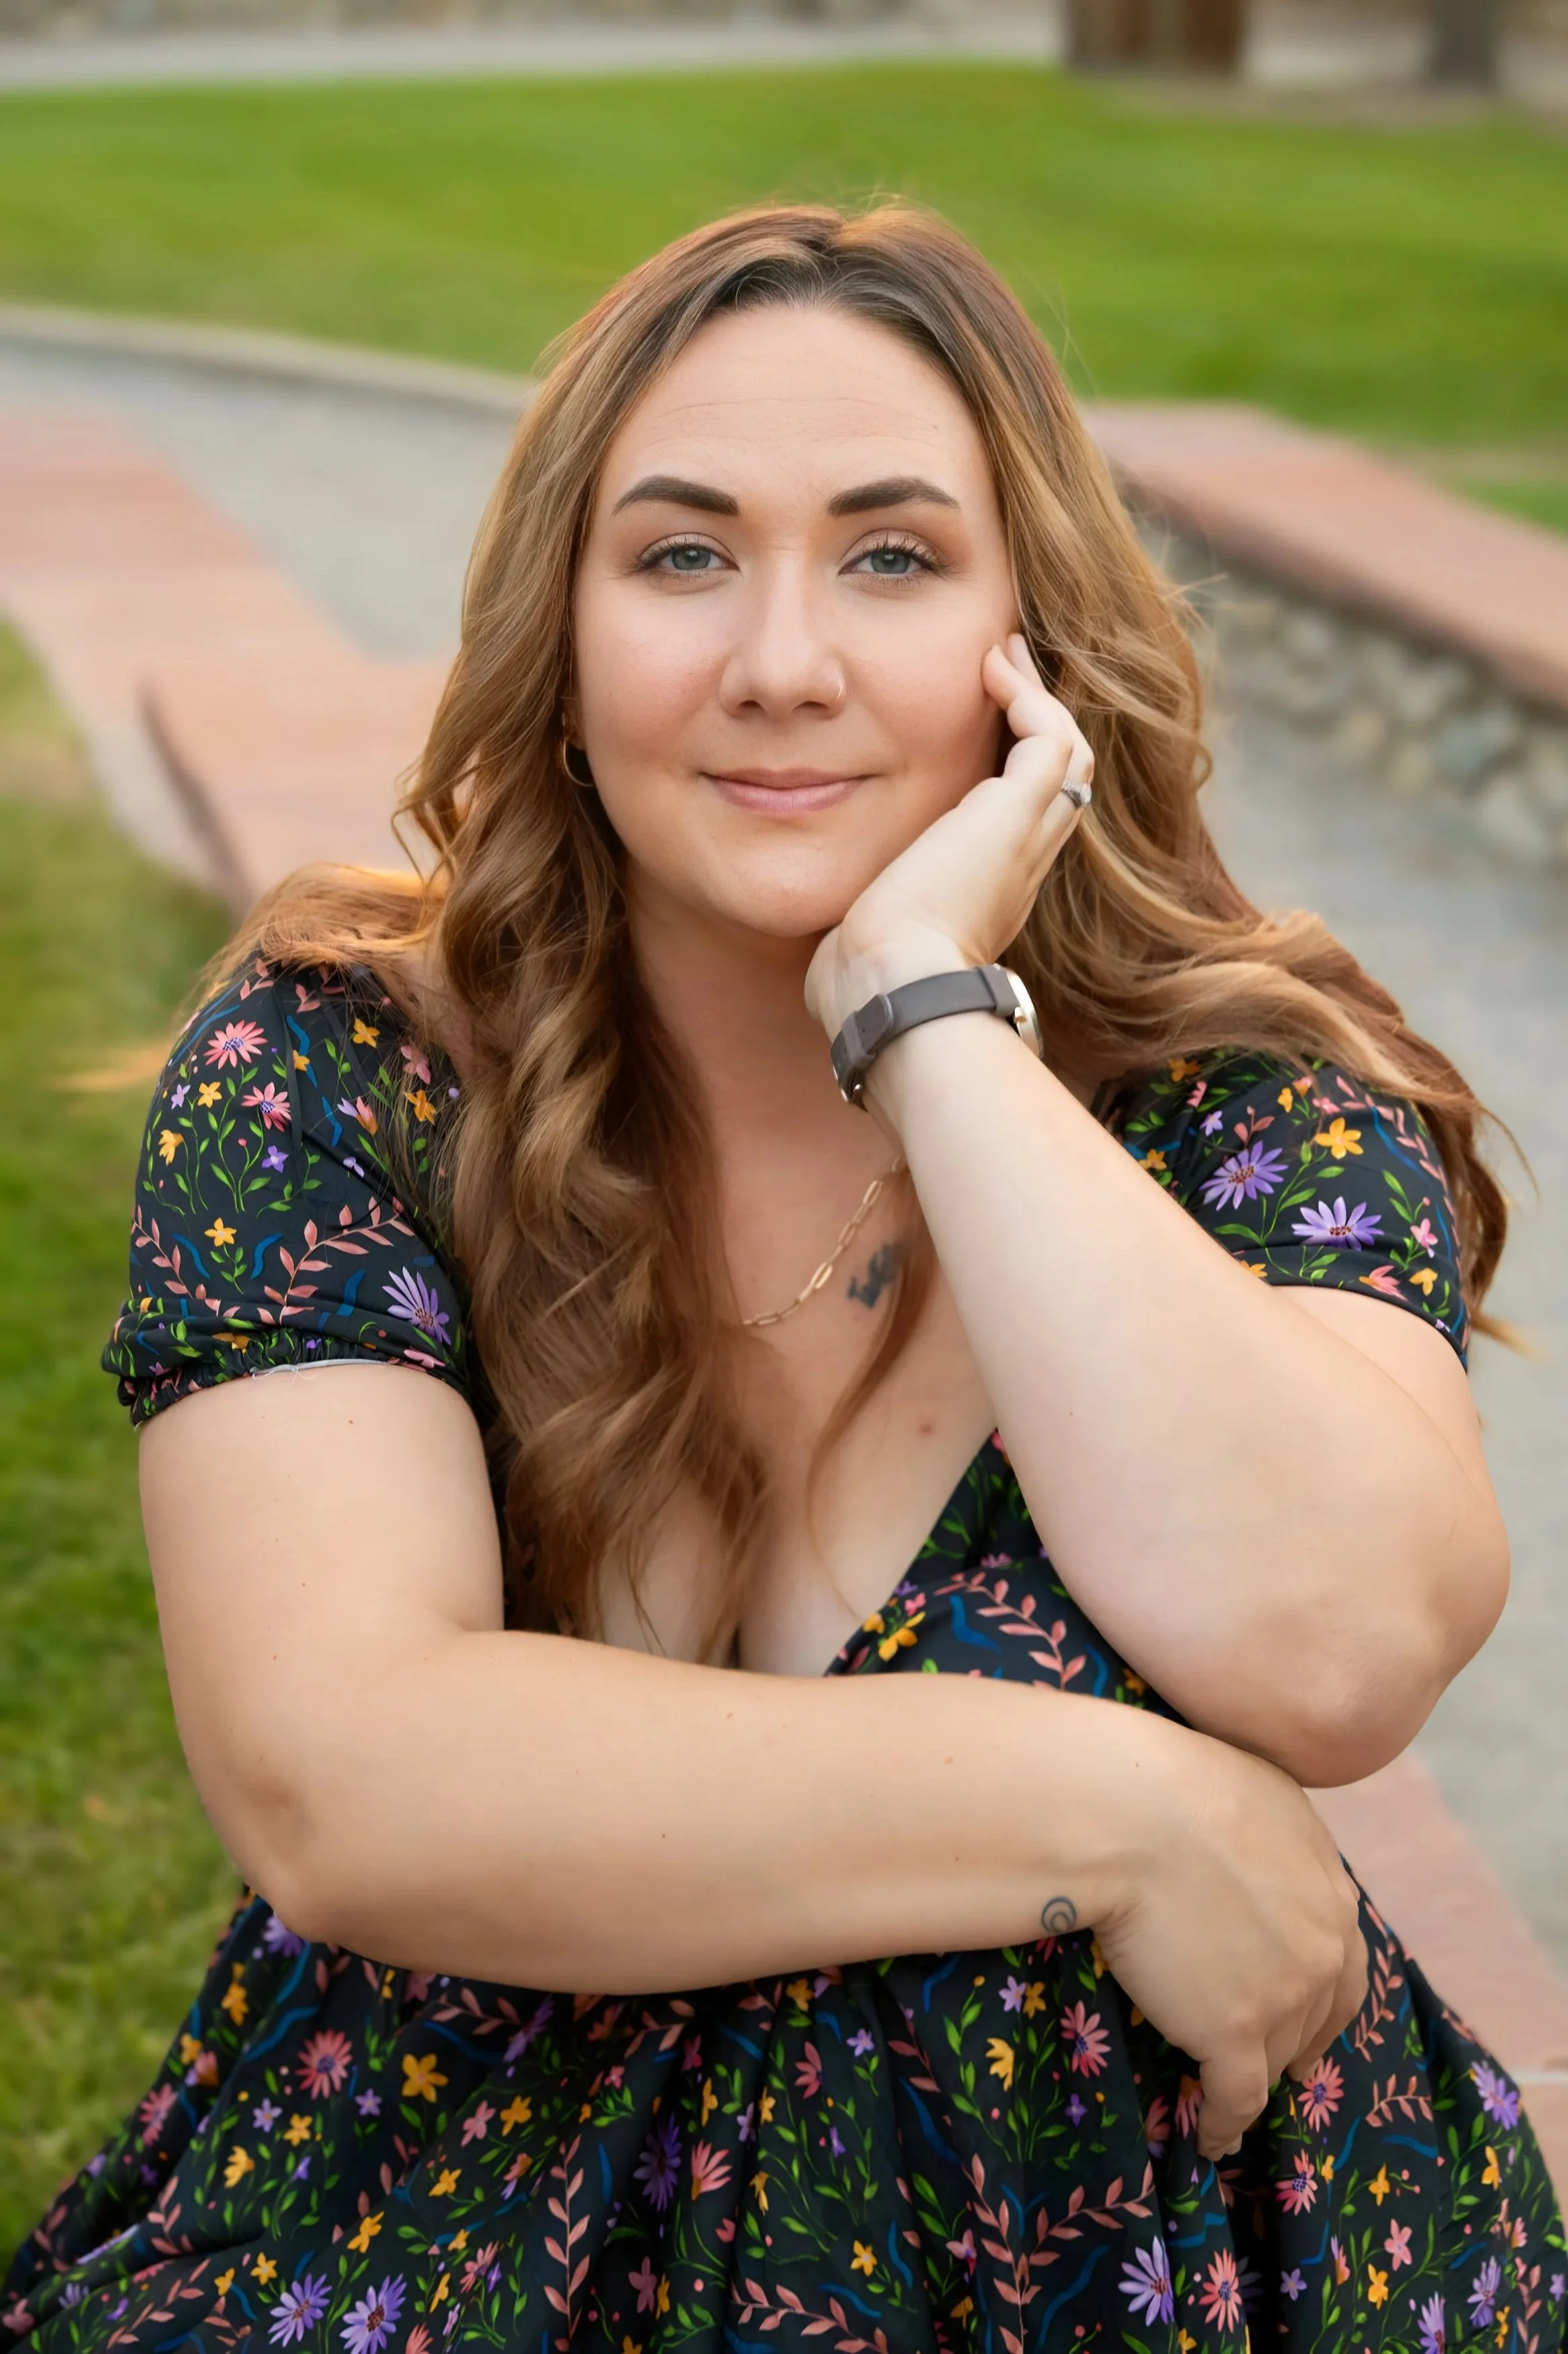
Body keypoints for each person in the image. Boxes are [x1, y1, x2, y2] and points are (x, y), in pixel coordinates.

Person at [4, 201, 1560, 2354]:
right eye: (681, 553)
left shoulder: (1227, 1100)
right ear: (559, 628)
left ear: (1036, 638)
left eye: (894, 555)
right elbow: (337, 1774)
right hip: (447, 2238)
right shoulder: (341, 1068)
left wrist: (924, 1009)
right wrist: (1116, 1812)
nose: (781, 660)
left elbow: (1334, 1644)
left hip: (1138, 2276)